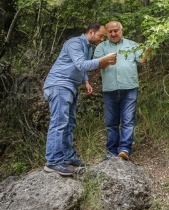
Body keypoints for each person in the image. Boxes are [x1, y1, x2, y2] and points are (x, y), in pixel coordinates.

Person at [43, 23, 117, 176]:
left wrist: (86, 81)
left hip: (70, 86)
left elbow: (80, 68)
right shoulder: (74, 43)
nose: (102, 39)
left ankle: (68, 157)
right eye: (101, 36)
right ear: (91, 32)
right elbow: (81, 64)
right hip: (58, 85)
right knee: (59, 123)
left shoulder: (88, 47)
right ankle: (53, 162)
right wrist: (102, 61)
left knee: (69, 123)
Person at [94, 21, 152, 161]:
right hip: (110, 89)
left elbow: (142, 60)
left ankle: (125, 149)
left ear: (122, 30)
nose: (113, 34)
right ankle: (112, 151)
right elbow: (97, 64)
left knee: (128, 120)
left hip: (130, 88)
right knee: (111, 122)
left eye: (116, 30)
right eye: (110, 32)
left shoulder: (132, 45)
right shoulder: (102, 47)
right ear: (107, 33)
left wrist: (149, 49)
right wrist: (106, 60)